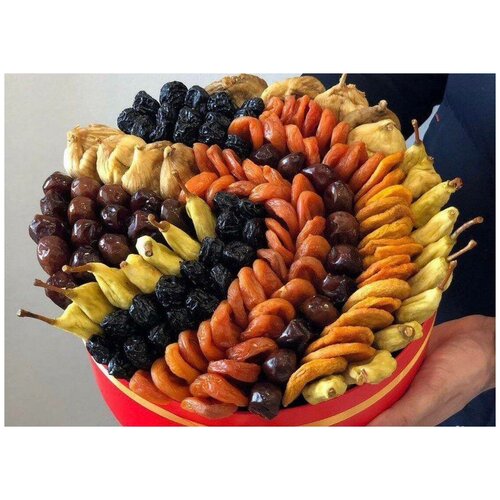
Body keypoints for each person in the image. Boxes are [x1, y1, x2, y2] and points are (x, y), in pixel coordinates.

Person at [308, 74, 496, 426]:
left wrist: (491, 354)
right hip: (403, 222)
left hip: (474, 365)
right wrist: (316, 110)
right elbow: (397, 80)